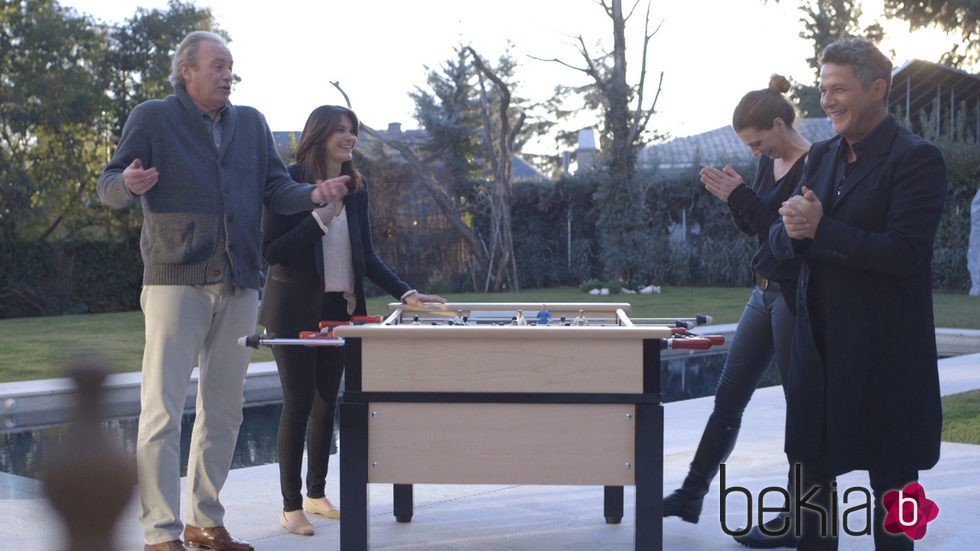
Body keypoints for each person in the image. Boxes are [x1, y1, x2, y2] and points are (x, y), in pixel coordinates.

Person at [97, 31, 350, 551]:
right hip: (175, 280)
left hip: (241, 285)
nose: (226, 73)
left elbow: (276, 190)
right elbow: (110, 183)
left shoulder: (252, 124)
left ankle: (204, 522)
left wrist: (312, 193)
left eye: (230, 66)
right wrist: (130, 184)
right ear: (186, 71)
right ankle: (159, 532)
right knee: (162, 411)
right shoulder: (153, 117)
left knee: (225, 410)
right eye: (216, 65)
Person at [770, 38, 947, 550]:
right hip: (818, 358)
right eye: (823, 89)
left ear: (876, 89)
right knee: (811, 504)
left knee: (896, 508)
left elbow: (903, 254)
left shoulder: (917, 160)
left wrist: (820, 231)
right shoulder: (820, 156)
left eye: (839, 88)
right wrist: (793, 229)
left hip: (885, 362)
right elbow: (786, 241)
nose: (827, 100)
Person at [259, 104, 446, 537]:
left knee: (327, 404)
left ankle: (316, 494)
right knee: (298, 403)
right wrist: (320, 216)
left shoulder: (356, 187)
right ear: (318, 135)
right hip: (293, 311)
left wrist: (406, 292)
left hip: (340, 312)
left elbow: (366, 255)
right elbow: (271, 252)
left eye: (353, 131)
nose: (349, 138)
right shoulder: (287, 182)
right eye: (340, 131)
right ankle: (290, 507)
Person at [662, 74, 809, 548]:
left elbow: (788, 242)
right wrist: (735, 198)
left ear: (780, 123)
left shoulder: (815, 166)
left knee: (800, 410)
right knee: (727, 400)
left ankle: (797, 518)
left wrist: (741, 196)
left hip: (791, 297)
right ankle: (690, 494)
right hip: (761, 293)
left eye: (758, 141)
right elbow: (760, 231)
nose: (755, 152)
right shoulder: (771, 164)